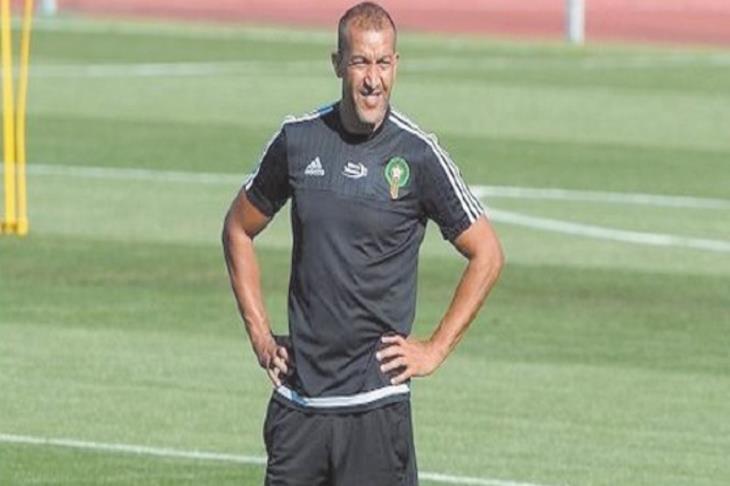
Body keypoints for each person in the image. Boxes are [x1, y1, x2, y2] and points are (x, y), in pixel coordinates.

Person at [222, 2, 504, 484]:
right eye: (360, 62)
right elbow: (237, 229)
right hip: (298, 406)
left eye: (383, 63)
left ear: (396, 65)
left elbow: (487, 254)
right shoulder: (298, 140)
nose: (373, 79)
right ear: (338, 65)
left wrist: (434, 349)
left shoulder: (417, 154)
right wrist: (261, 337)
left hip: (375, 407)